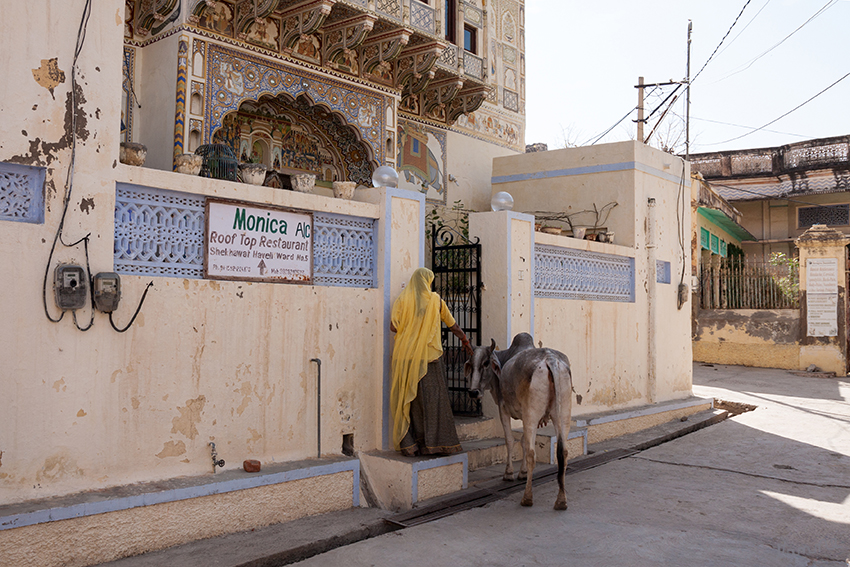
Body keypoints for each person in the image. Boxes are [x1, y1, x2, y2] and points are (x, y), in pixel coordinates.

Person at [390, 267, 475, 457]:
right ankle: (436, 444)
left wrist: (412, 332)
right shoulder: (436, 301)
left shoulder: (402, 299)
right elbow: (453, 325)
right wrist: (465, 341)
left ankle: (410, 444)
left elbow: (393, 327)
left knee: (409, 401)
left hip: (405, 358)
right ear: (428, 282)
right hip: (429, 359)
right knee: (434, 402)